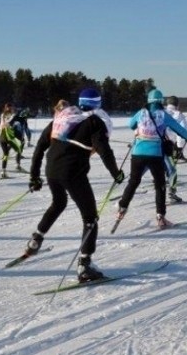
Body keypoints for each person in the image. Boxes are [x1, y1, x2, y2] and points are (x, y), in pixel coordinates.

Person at [25, 92, 124, 282]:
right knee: (90, 217)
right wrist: (116, 173)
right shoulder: (95, 122)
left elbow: (39, 146)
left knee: (59, 202)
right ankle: (85, 265)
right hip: (73, 172)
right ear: (97, 105)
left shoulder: (63, 117)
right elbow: (104, 150)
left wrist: (34, 177)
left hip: (51, 169)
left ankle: (36, 238)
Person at [115, 88, 187, 229]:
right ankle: (160, 216)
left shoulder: (141, 113)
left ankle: (122, 207)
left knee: (133, 182)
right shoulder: (163, 115)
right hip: (155, 155)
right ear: (161, 101)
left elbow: (130, 125)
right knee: (160, 185)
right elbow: (178, 129)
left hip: (137, 153)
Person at [163, 96, 187, 203]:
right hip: (169, 145)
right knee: (172, 169)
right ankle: (172, 192)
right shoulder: (179, 115)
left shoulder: (160, 112)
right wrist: (179, 147)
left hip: (154, 143)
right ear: (177, 104)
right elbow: (182, 132)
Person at [0, 104, 25, 179]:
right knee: (19, 148)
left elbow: (2, 123)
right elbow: (11, 122)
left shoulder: (3, 114)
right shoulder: (12, 115)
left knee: (6, 154)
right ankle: (17, 166)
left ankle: (3, 171)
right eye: (10, 108)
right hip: (8, 137)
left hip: (2, 137)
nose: (11, 109)